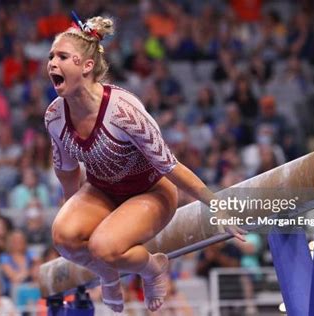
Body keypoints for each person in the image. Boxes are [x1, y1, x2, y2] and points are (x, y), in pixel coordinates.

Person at [44, 14, 246, 313]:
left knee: (104, 246)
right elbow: (67, 173)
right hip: (102, 191)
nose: (51, 63)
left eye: (61, 56)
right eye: (50, 56)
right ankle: (107, 274)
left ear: (87, 66)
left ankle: (153, 268)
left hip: (151, 191)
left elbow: (170, 165)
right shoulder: (55, 117)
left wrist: (214, 204)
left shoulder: (123, 112)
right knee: (64, 236)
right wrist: (79, 224)